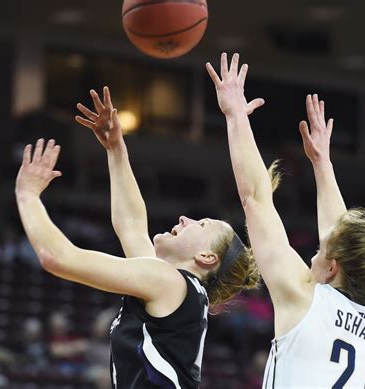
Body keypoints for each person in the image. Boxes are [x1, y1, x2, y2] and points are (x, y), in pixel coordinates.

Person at [15, 86, 260, 388]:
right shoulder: (173, 289)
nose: (185, 218)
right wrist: (116, 148)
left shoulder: (170, 283)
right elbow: (131, 225)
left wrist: (27, 195)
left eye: (202, 223)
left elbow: (57, 257)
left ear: (207, 257)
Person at [207, 52, 365, 388]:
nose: (312, 256)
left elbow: (255, 199)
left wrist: (236, 115)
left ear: (334, 266)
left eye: (320, 252)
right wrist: (322, 164)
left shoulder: (303, 298)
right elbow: (340, 235)